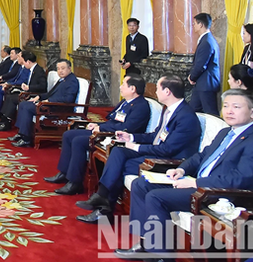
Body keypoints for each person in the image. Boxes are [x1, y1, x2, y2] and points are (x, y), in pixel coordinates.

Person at [115, 89, 253, 261]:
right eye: (226, 106)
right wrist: (182, 169)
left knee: (156, 197)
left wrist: (196, 183)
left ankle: (161, 256)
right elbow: (201, 156)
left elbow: (240, 178)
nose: (228, 111)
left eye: (236, 107)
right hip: (198, 184)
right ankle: (147, 243)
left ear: (252, 112)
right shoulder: (225, 132)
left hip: (217, 193)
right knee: (141, 184)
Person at [75, 75, 201, 224]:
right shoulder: (169, 110)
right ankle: (102, 198)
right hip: (157, 151)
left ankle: (103, 208)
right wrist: (131, 137)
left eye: (158, 88)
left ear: (167, 91)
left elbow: (167, 149)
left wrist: (137, 147)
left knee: (120, 166)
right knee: (118, 150)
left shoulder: (185, 117)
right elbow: (156, 135)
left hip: (168, 162)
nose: (155, 91)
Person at [45, 74, 151, 195]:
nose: (120, 87)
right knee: (68, 135)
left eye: (123, 85)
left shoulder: (140, 106)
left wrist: (100, 127)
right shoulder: (125, 102)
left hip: (114, 137)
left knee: (78, 141)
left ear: (133, 89)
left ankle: (75, 183)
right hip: (104, 130)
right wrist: (95, 124)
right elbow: (111, 119)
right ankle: (64, 172)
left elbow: (126, 128)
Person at [9, 59, 81, 147]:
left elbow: (68, 99)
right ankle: (22, 134)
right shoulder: (63, 79)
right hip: (51, 105)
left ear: (69, 68)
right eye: (58, 69)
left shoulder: (72, 81)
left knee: (27, 107)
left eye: (63, 68)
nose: (60, 71)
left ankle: (26, 139)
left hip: (58, 109)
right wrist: (39, 97)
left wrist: (49, 101)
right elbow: (50, 93)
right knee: (23, 104)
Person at [0, 51, 47, 131]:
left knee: (12, 99)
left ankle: (7, 123)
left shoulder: (39, 71)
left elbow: (42, 86)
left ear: (28, 62)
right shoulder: (32, 69)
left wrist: (29, 87)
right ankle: (4, 120)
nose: (23, 64)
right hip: (28, 92)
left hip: (34, 94)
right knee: (10, 97)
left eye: (24, 61)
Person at [187, 12, 221, 116]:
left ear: (201, 24)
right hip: (202, 84)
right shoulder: (206, 39)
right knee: (193, 110)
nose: (194, 26)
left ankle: (217, 132)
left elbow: (201, 64)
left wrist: (192, 77)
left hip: (207, 83)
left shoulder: (207, 41)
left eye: (195, 23)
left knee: (211, 113)